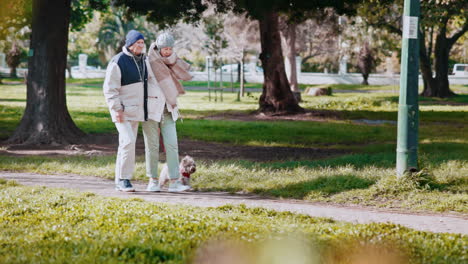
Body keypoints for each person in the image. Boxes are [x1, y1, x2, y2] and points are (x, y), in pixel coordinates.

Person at [144, 32, 193, 192]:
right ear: (158, 47)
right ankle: (152, 180)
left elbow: (182, 76)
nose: (167, 51)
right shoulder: (148, 61)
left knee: (172, 145)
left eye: (170, 48)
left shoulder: (173, 61)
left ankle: (174, 182)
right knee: (151, 146)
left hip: (168, 109)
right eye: (165, 48)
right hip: (150, 109)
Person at [103, 30, 148, 192]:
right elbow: (109, 89)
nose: (141, 46)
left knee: (127, 144)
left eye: (143, 43)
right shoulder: (118, 61)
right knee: (128, 142)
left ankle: (119, 180)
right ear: (130, 44)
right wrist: (117, 109)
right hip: (121, 111)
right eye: (138, 43)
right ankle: (124, 179)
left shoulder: (144, 60)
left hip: (136, 111)